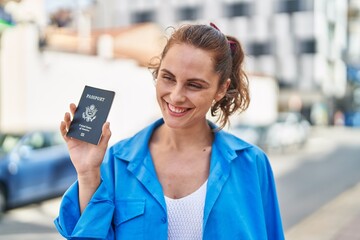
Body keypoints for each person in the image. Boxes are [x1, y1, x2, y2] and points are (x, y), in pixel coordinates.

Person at [54, 23, 284, 239]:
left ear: (221, 89)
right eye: (168, 78)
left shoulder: (252, 165)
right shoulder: (115, 164)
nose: (175, 96)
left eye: (194, 85)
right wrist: (86, 174)